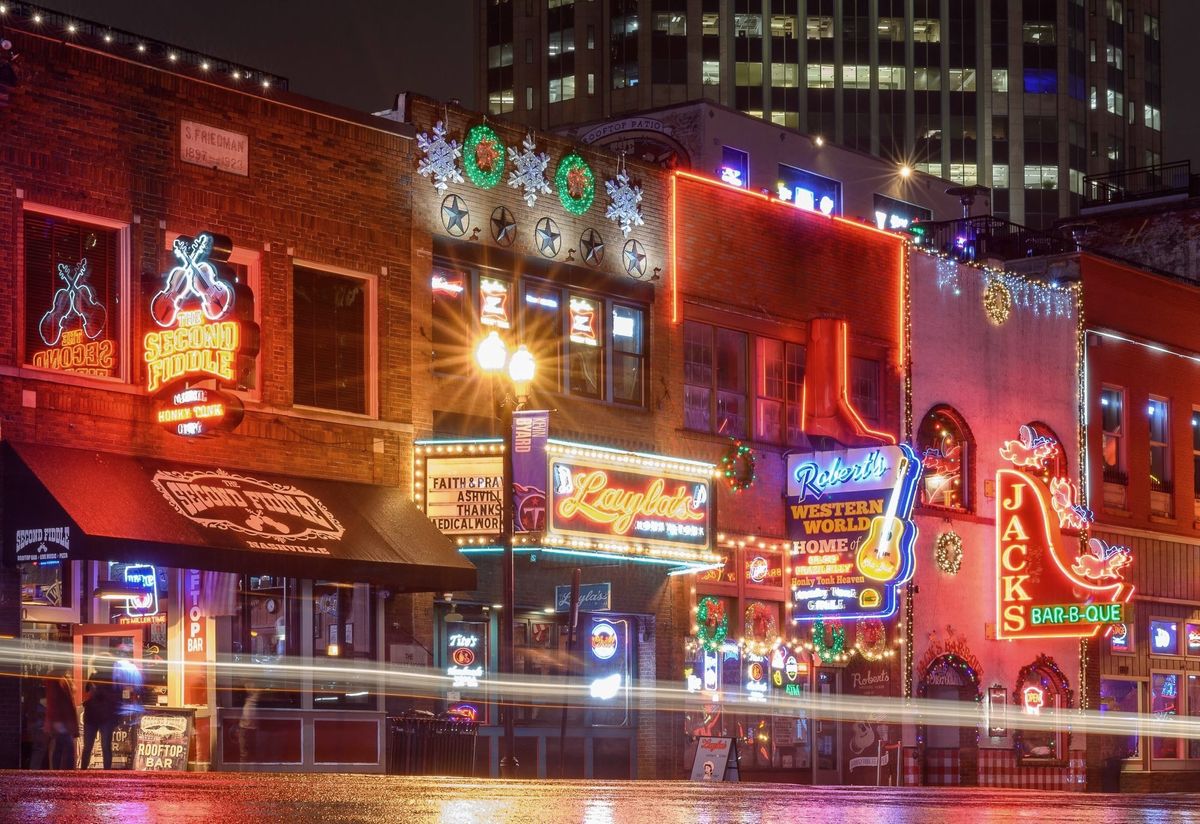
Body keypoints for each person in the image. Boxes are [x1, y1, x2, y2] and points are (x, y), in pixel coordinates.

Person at [81, 656, 120, 769]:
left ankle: (83, 771)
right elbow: (115, 698)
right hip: (104, 717)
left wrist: (95, 692)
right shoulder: (113, 678)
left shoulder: (95, 676)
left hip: (93, 716)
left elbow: (87, 692)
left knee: (88, 746)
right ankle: (106, 772)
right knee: (105, 747)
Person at [43, 667, 78, 770]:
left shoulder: (57, 679)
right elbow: (61, 702)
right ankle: (66, 772)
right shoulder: (58, 680)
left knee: (60, 746)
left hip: (60, 719)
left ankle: (57, 770)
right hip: (61, 720)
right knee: (68, 746)